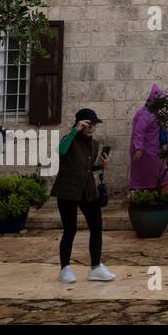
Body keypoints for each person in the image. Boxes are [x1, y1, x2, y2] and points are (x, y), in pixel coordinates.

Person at [50, 108, 115, 283]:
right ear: (80, 124)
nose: (92, 127)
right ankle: (64, 269)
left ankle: (95, 268)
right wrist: (74, 131)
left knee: (96, 226)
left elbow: (86, 168)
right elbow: (61, 151)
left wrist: (100, 166)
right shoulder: (68, 140)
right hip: (67, 190)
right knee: (70, 229)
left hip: (88, 190)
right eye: (89, 124)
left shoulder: (94, 145)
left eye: (94, 124)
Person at [130, 84, 168, 191]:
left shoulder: (153, 114)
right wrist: (138, 148)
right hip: (146, 152)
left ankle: (155, 197)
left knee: (157, 176)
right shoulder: (145, 114)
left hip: (154, 150)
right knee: (148, 177)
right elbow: (139, 132)